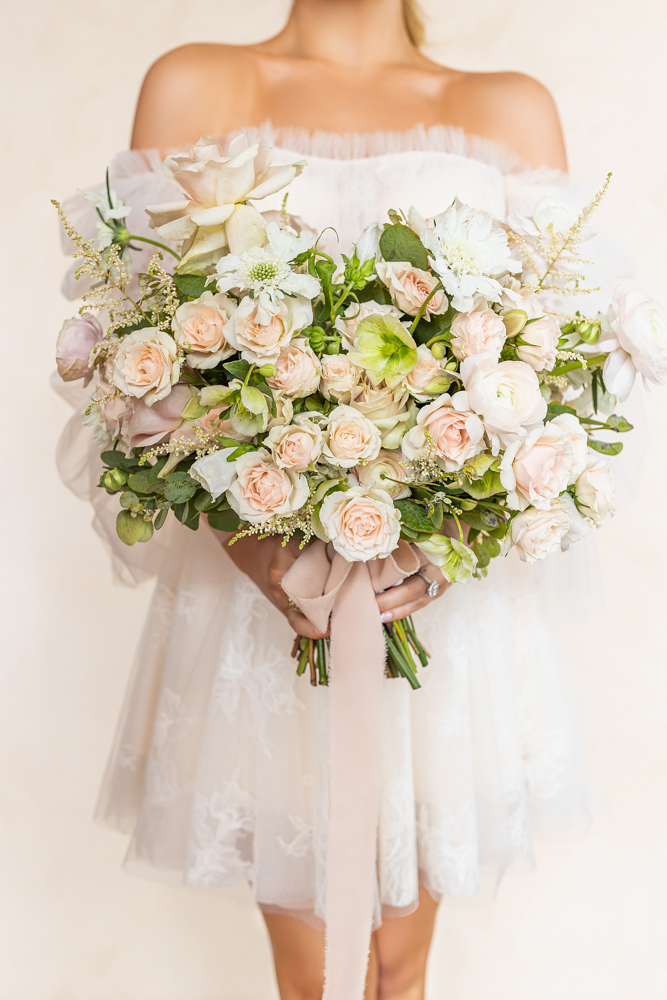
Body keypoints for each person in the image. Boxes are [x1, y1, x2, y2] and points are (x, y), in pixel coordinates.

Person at [57, 2, 602, 998]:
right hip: (260, 603)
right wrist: (257, 548)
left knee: (398, 967)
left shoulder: (508, 107)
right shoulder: (196, 83)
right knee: (317, 972)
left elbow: (559, 374)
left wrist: (451, 540)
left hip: (442, 616)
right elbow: (135, 367)